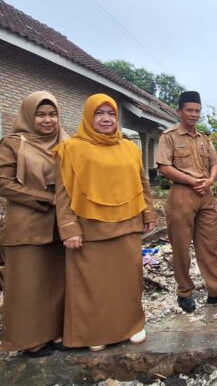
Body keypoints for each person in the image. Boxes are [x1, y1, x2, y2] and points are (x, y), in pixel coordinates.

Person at [53, 93, 154, 351]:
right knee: (93, 284)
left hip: (128, 225)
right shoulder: (71, 149)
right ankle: (95, 333)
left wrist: (148, 214)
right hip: (91, 228)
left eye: (111, 114)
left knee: (128, 281)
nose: (106, 119)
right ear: (88, 116)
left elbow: (143, 183)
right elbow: (63, 193)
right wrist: (69, 229)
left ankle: (131, 325)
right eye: (99, 113)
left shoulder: (130, 149)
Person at [0, 91, 68, 356]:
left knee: (58, 280)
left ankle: (56, 332)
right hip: (27, 222)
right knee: (28, 283)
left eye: (52, 114)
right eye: (40, 115)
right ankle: (29, 339)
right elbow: (0, 182)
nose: (47, 120)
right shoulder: (12, 144)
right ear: (28, 116)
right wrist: (46, 197)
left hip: (61, 223)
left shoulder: (67, 142)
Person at [156, 91, 217, 313]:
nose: (194, 114)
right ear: (179, 111)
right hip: (182, 194)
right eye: (189, 110)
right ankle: (184, 292)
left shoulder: (204, 138)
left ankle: (215, 290)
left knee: (209, 245)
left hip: (205, 195)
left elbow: (214, 163)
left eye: (197, 111)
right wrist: (192, 181)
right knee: (181, 247)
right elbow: (164, 167)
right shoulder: (169, 136)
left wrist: (210, 180)